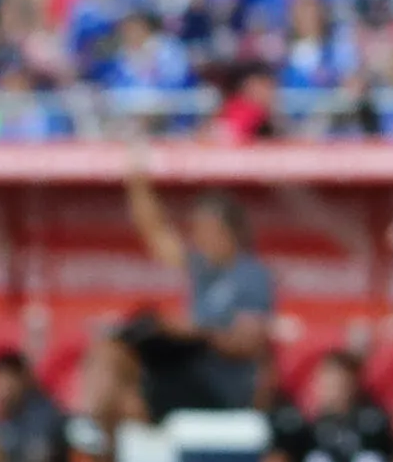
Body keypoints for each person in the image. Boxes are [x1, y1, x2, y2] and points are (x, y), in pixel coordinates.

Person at [107, 162, 278, 421]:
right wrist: (137, 181)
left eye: (204, 230)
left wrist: (196, 331)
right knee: (114, 354)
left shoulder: (251, 275)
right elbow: (156, 233)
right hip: (189, 373)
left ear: (226, 231)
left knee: (132, 401)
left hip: (222, 388)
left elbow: (249, 344)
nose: (198, 238)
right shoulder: (203, 268)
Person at [264, 348, 393, 462]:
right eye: (325, 382)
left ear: (351, 383)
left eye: (337, 382)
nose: (330, 388)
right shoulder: (306, 424)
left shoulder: (372, 419)